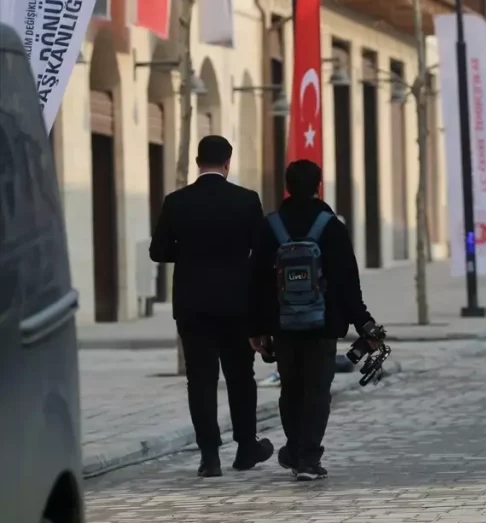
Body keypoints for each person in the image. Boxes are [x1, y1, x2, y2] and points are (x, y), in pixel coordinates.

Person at [149, 135, 274, 478]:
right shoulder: (246, 200)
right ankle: (247, 447)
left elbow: (157, 251)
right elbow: (261, 250)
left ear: (196, 162)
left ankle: (209, 456)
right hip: (237, 303)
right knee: (240, 376)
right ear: (228, 163)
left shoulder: (176, 201)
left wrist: (189, 253)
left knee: (200, 379)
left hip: (193, 305)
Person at [248, 159, 377, 481]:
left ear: (287, 187)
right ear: (319, 186)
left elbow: (257, 281)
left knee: (290, 388)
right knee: (318, 390)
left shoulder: (271, 226)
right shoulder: (331, 226)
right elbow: (348, 281)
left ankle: (294, 449)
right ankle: (308, 458)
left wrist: (257, 328)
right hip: (323, 325)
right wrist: (365, 324)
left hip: (283, 324)